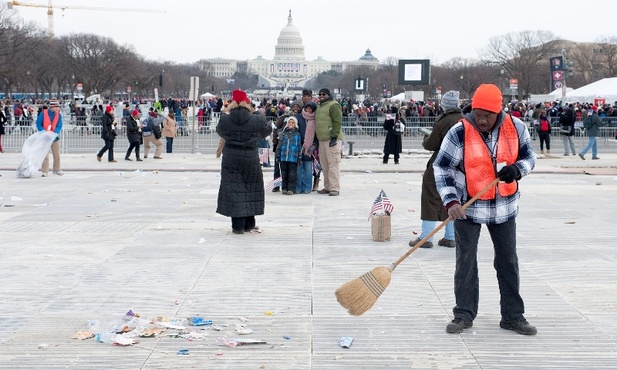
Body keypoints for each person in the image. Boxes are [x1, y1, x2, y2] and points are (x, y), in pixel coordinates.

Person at [433, 83, 537, 336]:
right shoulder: (459, 131)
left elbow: (530, 158)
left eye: (487, 116)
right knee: (466, 262)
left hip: (504, 208)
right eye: (477, 114)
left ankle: (513, 316)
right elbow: (442, 167)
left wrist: (517, 170)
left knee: (508, 261)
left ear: (498, 112)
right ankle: (464, 314)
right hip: (467, 209)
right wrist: (451, 202)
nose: (481, 120)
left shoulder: (517, 127)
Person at [409, 90, 461, 249]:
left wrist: (426, 138)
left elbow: (432, 144)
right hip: (460, 165)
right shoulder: (464, 119)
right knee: (453, 198)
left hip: (441, 162)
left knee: (430, 196)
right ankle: (451, 237)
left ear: (445, 104)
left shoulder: (445, 120)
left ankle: (426, 238)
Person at [216, 89, 271, 234]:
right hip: (250, 157)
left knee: (234, 190)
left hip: (231, 158)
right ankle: (249, 224)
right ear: (247, 103)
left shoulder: (225, 118)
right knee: (250, 189)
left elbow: (220, 131)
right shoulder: (255, 118)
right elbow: (266, 131)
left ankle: (237, 226)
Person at [315, 88, 343, 196]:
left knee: (333, 163)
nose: (322, 96)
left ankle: (334, 188)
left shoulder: (333, 105)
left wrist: (334, 136)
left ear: (328, 95)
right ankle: (327, 186)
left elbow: (337, 122)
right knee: (325, 165)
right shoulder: (320, 106)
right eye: (320, 94)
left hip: (332, 139)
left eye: (324, 94)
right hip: (322, 139)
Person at [36, 100, 64, 176]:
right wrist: (43, 132)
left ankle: (57, 169)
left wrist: (55, 132)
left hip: (55, 138)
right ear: (52, 107)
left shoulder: (59, 115)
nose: (57, 108)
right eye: (56, 107)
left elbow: (59, 125)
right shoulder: (43, 114)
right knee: (45, 155)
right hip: (45, 138)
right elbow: (38, 124)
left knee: (57, 154)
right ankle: (45, 171)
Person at [275, 116, 302, 195]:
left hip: (293, 157)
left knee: (292, 174)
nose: (291, 124)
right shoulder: (283, 134)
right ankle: (284, 188)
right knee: (284, 173)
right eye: (289, 122)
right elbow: (279, 145)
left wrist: (299, 157)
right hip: (283, 157)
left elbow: (299, 146)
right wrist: (278, 155)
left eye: (293, 123)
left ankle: (291, 189)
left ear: (295, 124)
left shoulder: (297, 134)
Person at [297, 101, 317, 194]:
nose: (308, 110)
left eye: (310, 109)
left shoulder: (315, 119)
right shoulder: (299, 118)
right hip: (299, 147)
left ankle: (307, 188)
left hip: (309, 148)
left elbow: (317, 134)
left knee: (308, 169)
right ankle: (298, 187)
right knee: (298, 169)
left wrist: (314, 145)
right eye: (307, 108)